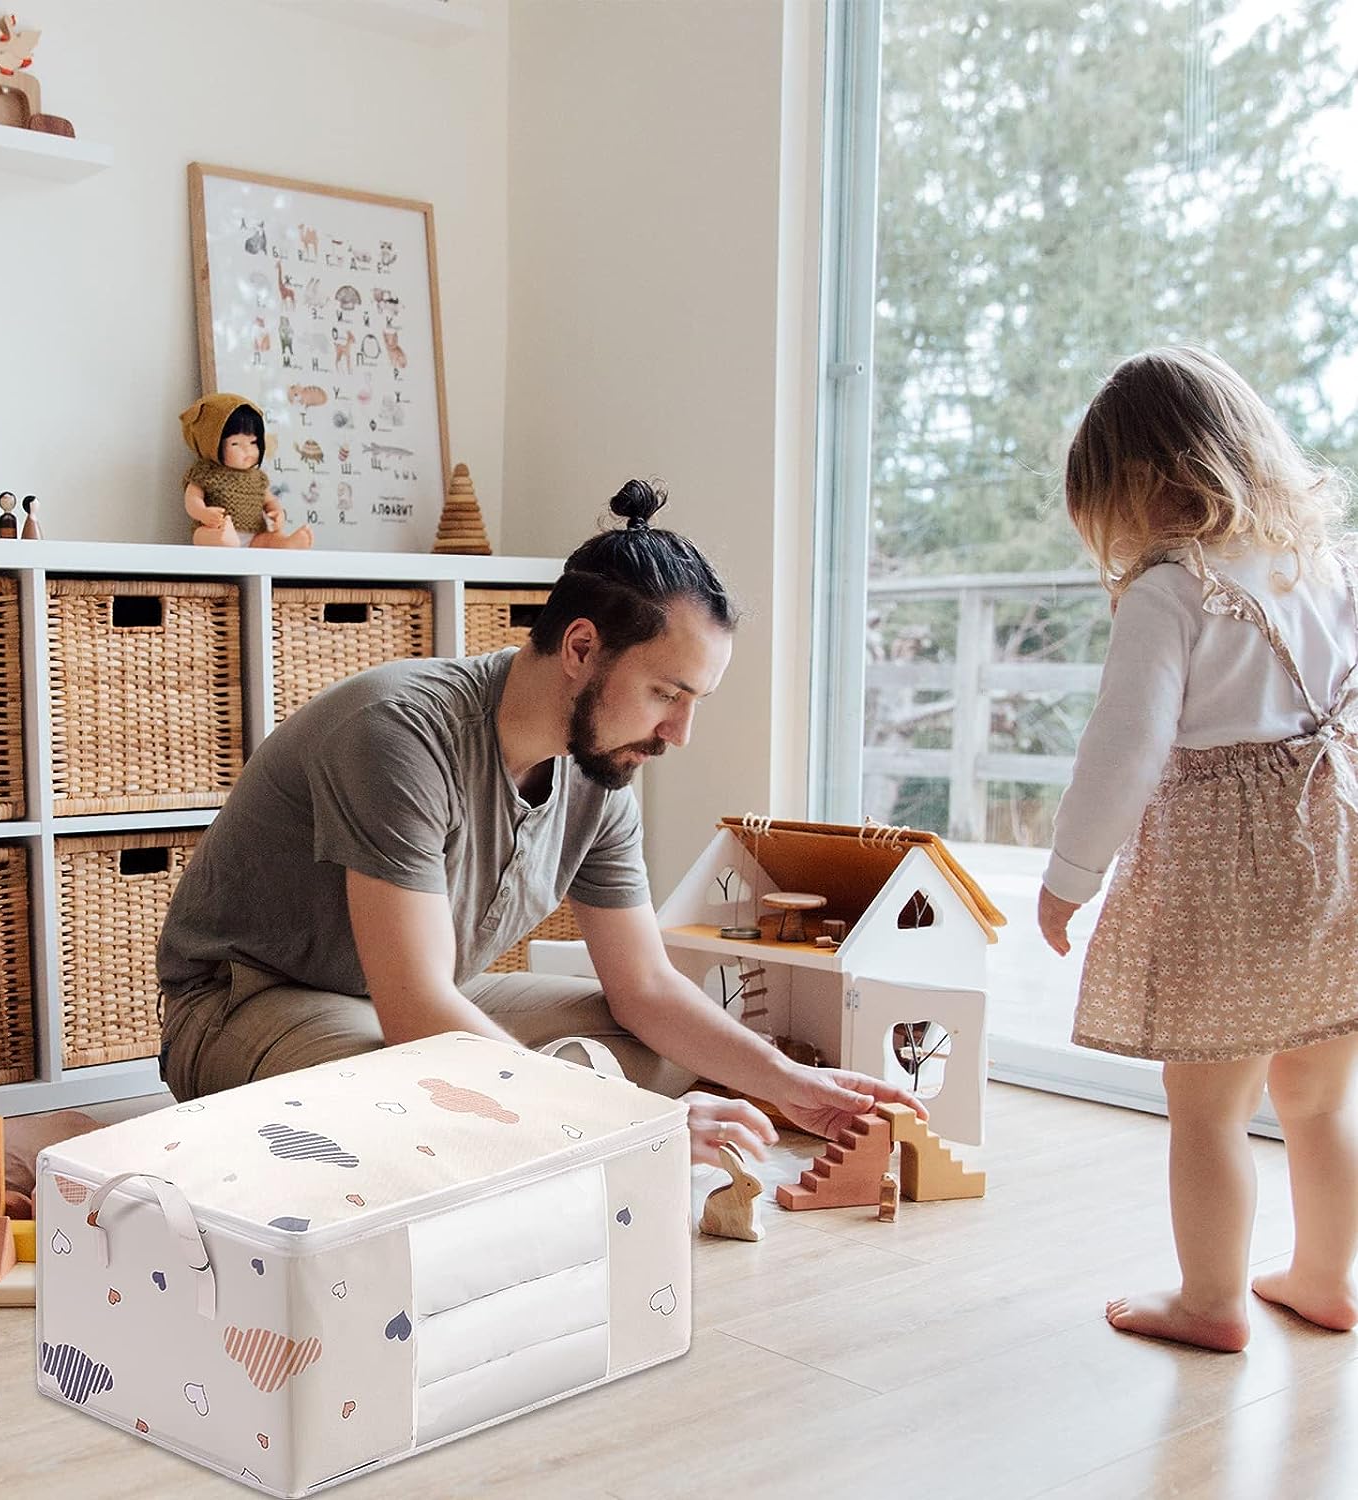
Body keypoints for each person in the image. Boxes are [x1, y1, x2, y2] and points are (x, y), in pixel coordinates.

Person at [159, 478, 924, 1164]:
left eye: (696, 702)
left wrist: (788, 1082)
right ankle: (556, 1119)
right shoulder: (398, 733)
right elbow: (418, 1006)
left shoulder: (602, 775)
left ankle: (543, 1115)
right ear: (582, 648)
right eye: (666, 694)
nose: (680, 733)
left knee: (652, 1048)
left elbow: (647, 987)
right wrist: (629, 1123)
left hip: (406, 1002)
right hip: (246, 1002)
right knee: (407, 1102)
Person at [1037, 346, 1358, 1351]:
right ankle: (1321, 1277)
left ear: (1140, 487)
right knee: (1317, 1096)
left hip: (1232, 874)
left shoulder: (1173, 591)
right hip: (1342, 848)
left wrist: (1068, 880)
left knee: (1210, 1106)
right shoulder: (1323, 566)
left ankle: (1211, 1301)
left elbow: (1122, 751)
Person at [180, 392, 312, 548]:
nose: (247, 451)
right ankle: (225, 540)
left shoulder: (257, 479)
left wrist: (277, 514)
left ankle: (286, 545)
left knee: (270, 539)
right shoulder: (205, 473)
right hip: (216, 527)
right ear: (209, 443)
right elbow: (192, 500)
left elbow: (270, 501)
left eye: (253, 442)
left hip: (254, 536)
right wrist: (203, 513)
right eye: (235, 444)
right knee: (201, 535)